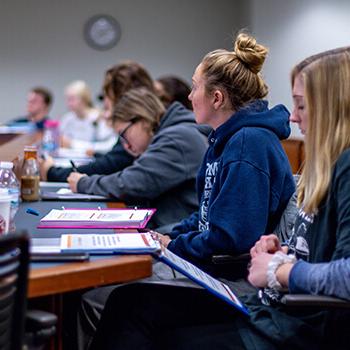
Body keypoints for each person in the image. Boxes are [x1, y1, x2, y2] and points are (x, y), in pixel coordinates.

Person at [89, 45, 350, 350]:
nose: (292, 117)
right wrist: (284, 254)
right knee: (130, 302)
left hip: (297, 322)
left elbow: (344, 273)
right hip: (277, 305)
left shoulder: (259, 146)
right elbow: (319, 251)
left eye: (302, 105)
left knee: (143, 317)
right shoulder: (326, 164)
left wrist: (280, 269)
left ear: (333, 107)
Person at [152, 32, 294, 271]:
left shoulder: (248, 144)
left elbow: (231, 238)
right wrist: (168, 236)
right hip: (211, 263)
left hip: (231, 277)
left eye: (195, 87)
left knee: (114, 295)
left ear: (217, 98)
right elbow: (208, 215)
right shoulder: (225, 139)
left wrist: (174, 245)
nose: (189, 96)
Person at [67, 87, 207, 228]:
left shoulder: (176, 139)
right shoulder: (175, 133)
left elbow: (130, 183)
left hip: (177, 233)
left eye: (123, 135)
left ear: (142, 119)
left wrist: (83, 183)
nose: (126, 146)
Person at [40, 61, 155, 182]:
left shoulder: (134, 132)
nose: (106, 107)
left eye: (108, 97)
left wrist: (52, 173)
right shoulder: (68, 118)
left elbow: (111, 164)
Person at [59, 80, 115, 154]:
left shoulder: (99, 117)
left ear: (84, 99)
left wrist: (73, 144)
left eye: (72, 99)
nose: (68, 103)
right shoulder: (67, 118)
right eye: (67, 99)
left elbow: (108, 145)